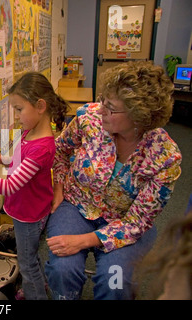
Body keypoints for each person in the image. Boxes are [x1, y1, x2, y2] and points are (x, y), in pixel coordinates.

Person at [46, 61, 182, 300]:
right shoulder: (90, 119)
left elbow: (137, 221)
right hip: (77, 205)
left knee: (116, 281)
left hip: (126, 221)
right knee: (62, 269)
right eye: (103, 101)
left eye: (111, 108)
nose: (101, 110)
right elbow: (61, 150)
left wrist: (83, 241)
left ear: (139, 116)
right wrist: (58, 187)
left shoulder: (165, 157)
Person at [0, 72, 69, 300]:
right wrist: (2, 158)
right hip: (28, 210)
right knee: (30, 256)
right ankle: (36, 287)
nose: (16, 116)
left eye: (19, 109)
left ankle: (35, 294)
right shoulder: (31, 132)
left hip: (28, 215)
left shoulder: (42, 148)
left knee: (26, 264)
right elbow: (20, 163)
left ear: (40, 106)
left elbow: (10, 187)